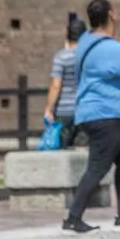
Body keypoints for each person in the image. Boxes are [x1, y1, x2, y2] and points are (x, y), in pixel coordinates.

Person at [61, 0, 120, 234]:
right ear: (112, 15)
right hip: (108, 115)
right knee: (98, 166)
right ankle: (73, 217)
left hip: (96, 113)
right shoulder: (112, 49)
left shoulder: (84, 42)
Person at [44, 13, 87, 149]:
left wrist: (49, 109)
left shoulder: (61, 57)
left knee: (62, 152)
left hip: (64, 111)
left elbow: (56, 84)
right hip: (85, 110)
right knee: (82, 153)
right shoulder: (89, 57)